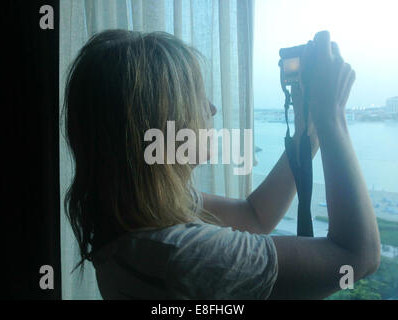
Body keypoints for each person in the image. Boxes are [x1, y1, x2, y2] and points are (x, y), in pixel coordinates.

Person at [63, 29, 380, 299]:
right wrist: (331, 116)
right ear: (160, 123)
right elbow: (356, 257)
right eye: (196, 98)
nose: (212, 109)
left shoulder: (136, 216)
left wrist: (306, 133)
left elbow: (255, 216)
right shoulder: (184, 255)